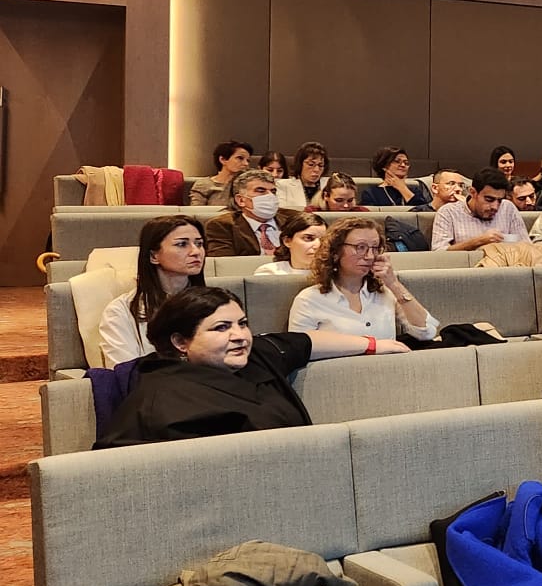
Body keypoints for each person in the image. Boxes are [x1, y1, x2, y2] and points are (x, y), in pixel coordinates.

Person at [98, 285, 408, 447]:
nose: (239, 336)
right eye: (221, 328)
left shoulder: (256, 354)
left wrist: (374, 345)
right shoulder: (159, 399)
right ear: (181, 342)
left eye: (243, 324)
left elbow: (306, 341)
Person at [288, 216, 441, 343]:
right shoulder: (309, 299)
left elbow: (426, 332)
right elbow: (300, 351)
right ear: (335, 252)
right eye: (360, 247)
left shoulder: (384, 293)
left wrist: (394, 284)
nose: (369, 256)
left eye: (374, 248)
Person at [101, 214, 210, 367]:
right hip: (158, 387)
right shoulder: (121, 311)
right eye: (182, 244)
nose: (196, 252)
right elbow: (125, 373)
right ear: (153, 256)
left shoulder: (216, 304)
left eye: (199, 244)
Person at [203, 169, 298, 259]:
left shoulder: (294, 219)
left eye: (273, 191)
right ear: (240, 200)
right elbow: (225, 265)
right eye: (260, 191)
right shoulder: (222, 226)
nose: (270, 196)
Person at [430, 168, 530, 251]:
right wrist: (478, 242)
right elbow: (439, 253)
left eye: (500, 200)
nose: (495, 207)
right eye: (489, 199)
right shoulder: (448, 212)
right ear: (473, 192)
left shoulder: (508, 208)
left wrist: (506, 240)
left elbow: (526, 246)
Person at [255, 213, 327, 276]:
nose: (318, 245)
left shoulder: (334, 274)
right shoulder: (270, 273)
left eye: (323, 239)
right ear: (287, 241)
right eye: (308, 238)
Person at [187, 139, 253, 207]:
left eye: (248, 160)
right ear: (223, 159)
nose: (246, 163)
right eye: (240, 158)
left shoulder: (249, 183)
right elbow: (197, 212)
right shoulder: (204, 184)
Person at [361, 147, 431, 210]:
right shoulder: (371, 193)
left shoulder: (415, 191)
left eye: (406, 163)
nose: (403, 165)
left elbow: (424, 211)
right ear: (384, 166)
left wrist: (402, 188)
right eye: (397, 161)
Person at [275, 142, 329, 211]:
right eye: (311, 164)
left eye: (321, 165)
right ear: (300, 164)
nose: (316, 170)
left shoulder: (329, 185)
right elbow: (281, 211)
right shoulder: (283, 185)